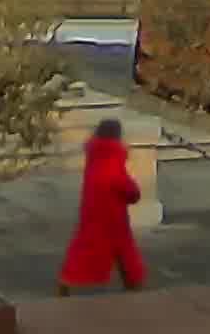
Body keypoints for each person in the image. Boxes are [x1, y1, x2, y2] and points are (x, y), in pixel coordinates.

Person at [56, 117, 146, 296]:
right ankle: (134, 282)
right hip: (113, 215)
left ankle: (66, 281)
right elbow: (123, 184)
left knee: (84, 247)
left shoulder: (95, 154)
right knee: (123, 250)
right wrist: (134, 193)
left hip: (92, 211)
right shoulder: (113, 157)